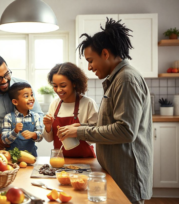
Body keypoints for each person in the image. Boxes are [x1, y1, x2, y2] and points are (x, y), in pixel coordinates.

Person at [58, 18, 152, 204]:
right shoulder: (117, 79)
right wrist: (83, 126)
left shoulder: (126, 79)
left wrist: (80, 131)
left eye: (91, 60)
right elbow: (113, 123)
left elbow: (125, 131)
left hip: (127, 174)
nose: (89, 67)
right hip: (117, 170)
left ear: (106, 53)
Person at [0, 54, 43, 150]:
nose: (4, 81)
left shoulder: (25, 88)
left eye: (6, 74)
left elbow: (38, 115)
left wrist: (35, 134)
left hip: (26, 151)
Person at [42, 62, 98, 158]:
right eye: (55, 86)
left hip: (85, 161)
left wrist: (77, 131)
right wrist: (47, 127)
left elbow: (96, 136)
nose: (58, 90)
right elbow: (49, 139)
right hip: (61, 160)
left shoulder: (88, 103)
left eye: (63, 85)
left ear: (75, 83)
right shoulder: (54, 104)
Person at [1, 82, 43, 156]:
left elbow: (40, 136)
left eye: (32, 95)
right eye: (26, 96)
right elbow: (5, 140)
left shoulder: (36, 116)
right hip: (12, 158)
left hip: (31, 156)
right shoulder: (8, 117)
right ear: (15, 102)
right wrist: (15, 131)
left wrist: (33, 134)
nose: (31, 98)